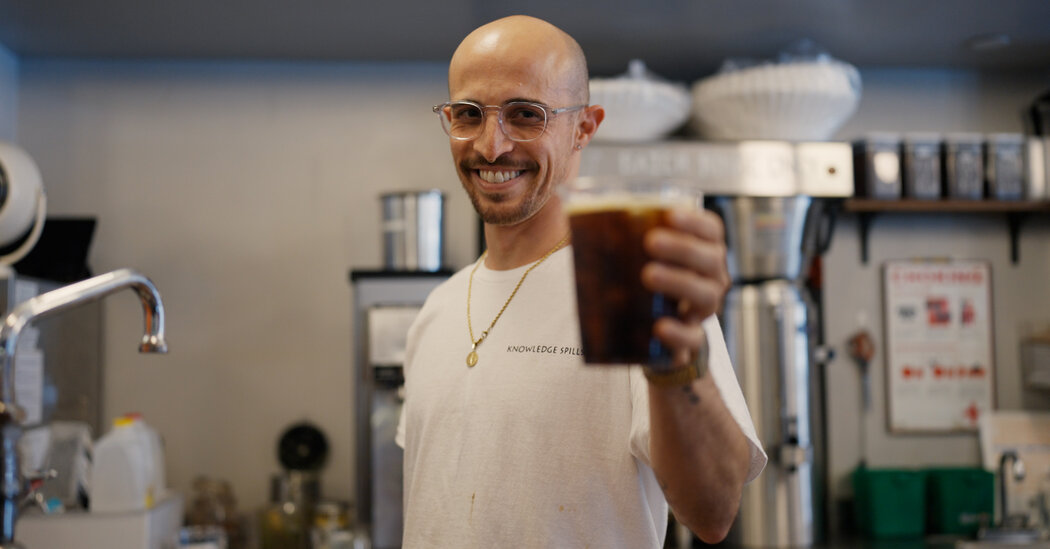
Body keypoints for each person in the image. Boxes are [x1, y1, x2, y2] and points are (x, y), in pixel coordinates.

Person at [395, 15, 767, 548]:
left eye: (526, 115)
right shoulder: (436, 310)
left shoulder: (631, 291)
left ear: (584, 128)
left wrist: (676, 362)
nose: (491, 146)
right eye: (468, 114)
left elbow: (712, 513)